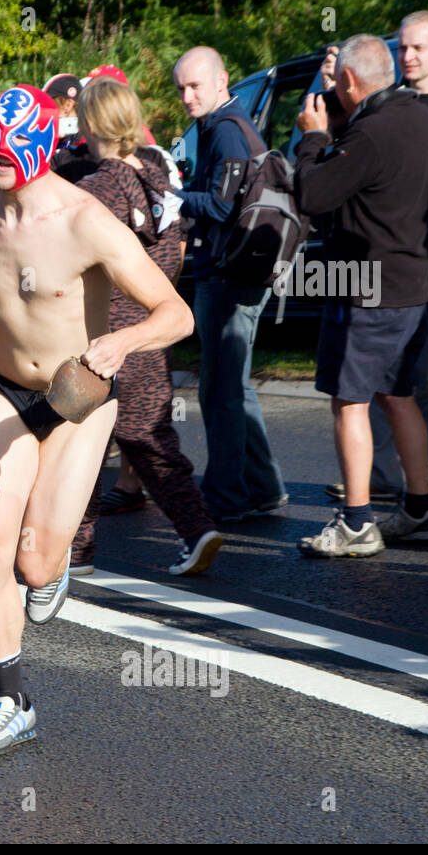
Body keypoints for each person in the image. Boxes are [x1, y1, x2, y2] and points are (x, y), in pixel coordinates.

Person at [0, 86, 194, 757]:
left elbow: (174, 312)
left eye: (9, 148)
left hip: (77, 397)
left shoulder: (84, 218)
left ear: (39, 143)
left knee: (34, 562)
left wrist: (119, 344)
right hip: (3, 390)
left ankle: (52, 563)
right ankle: (12, 698)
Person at [293, 35, 428, 557]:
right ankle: (421, 511)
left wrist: (313, 139)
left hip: (366, 284)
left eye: (337, 82)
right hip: (412, 280)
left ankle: (357, 522)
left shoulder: (372, 134)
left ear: (351, 81)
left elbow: (312, 193)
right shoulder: (422, 118)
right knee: (397, 394)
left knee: (349, 400)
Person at [67, 79, 222, 577]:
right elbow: (175, 250)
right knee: (151, 440)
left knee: (79, 439)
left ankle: (75, 547)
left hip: (106, 331)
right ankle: (197, 528)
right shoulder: (159, 177)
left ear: (90, 124)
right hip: (153, 326)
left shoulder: (95, 189)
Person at [348, 12, 428, 504]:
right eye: (402, 48)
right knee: (380, 374)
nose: (407, 57)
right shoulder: (382, 106)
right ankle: (382, 474)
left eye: (418, 48)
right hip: (380, 258)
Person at [173, 46, 288, 523]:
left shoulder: (225, 131)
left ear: (221, 81)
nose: (186, 96)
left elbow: (220, 206)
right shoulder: (224, 126)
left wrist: (171, 197)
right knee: (233, 387)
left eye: (195, 86)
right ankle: (264, 489)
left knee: (219, 391)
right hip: (236, 270)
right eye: (180, 88)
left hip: (227, 274)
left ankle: (226, 499)